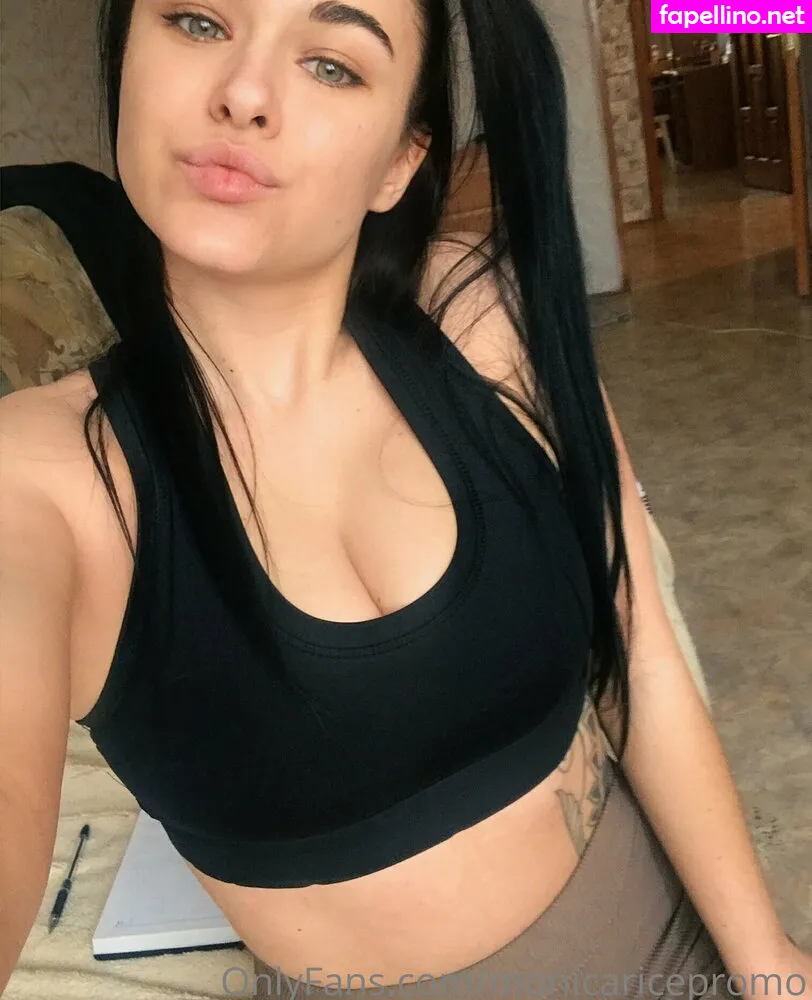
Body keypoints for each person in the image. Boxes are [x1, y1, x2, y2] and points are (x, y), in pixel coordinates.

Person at [0, 0, 809, 996]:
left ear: (399, 161)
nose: (245, 94)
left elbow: (637, 651)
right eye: (200, 22)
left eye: (332, 65)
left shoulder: (484, 319)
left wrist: (767, 963)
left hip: (675, 956)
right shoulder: (40, 477)